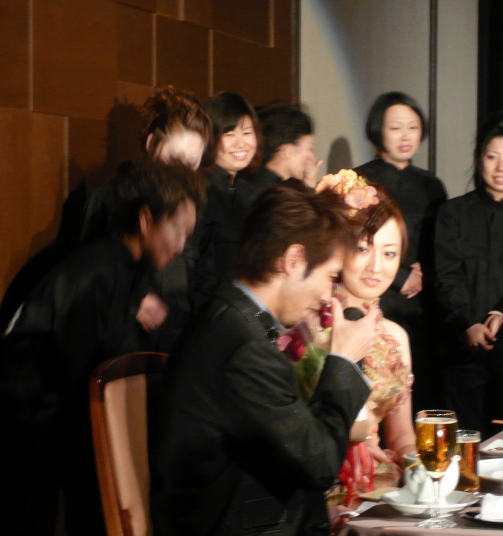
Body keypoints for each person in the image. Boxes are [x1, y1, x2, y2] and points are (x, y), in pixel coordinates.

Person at [150, 181, 379, 536]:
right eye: (331, 277)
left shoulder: (236, 317)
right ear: (293, 260)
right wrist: (344, 361)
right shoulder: (244, 347)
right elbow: (319, 462)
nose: (328, 296)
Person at [0, 159, 205, 536]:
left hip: (52, 431)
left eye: (188, 233)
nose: (181, 245)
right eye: (176, 229)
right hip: (23, 432)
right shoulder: (99, 269)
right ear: (146, 220)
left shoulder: (131, 271)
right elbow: (74, 375)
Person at [284, 172, 415, 509]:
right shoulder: (304, 327)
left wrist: (419, 467)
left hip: (379, 486)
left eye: (389, 253)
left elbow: (401, 435)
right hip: (315, 489)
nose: (376, 267)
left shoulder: (395, 336)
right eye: (362, 249)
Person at [435, 112, 503, 436]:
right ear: (479, 160)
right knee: (463, 441)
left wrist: (501, 313)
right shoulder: (452, 213)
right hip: (461, 348)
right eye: (492, 157)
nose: (501, 167)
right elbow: (447, 274)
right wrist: (468, 322)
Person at [81, 86, 213, 352]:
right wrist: (134, 300)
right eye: (175, 158)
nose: (182, 171)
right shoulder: (109, 198)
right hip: (120, 347)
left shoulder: (196, 206)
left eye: (192, 162)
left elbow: (204, 278)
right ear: (152, 143)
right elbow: (84, 278)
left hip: (179, 345)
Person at [354, 92, 447, 410]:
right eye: (396, 128)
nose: (406, 136)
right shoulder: (359, 180)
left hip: (425, 302)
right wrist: (401, 275)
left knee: (426, 390)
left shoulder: (432, 184)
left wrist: (425, 273)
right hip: (380, 294)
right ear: (378, 131)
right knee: (381, 389)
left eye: (413, 127)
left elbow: (443, 242)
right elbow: (354, 243)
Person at [196, 91, 263, 302]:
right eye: (229, 134)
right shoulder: (198, 190)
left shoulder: (252, 194)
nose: (241, 143)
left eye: (247, 133)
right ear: (210, 138)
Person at [251, 104, 322, 186]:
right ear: (287, 151)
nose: (312, 158)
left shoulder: (254, 181)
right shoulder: (273, 191)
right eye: (309, 149)